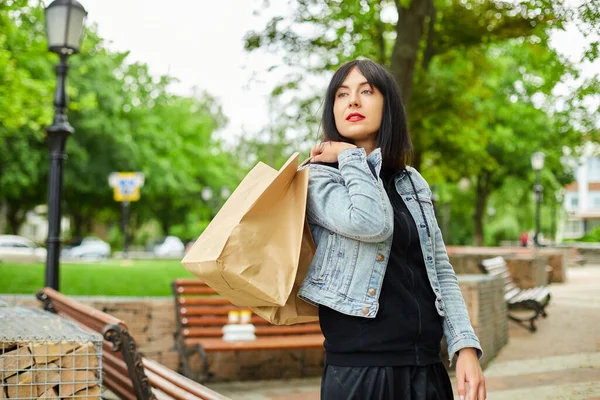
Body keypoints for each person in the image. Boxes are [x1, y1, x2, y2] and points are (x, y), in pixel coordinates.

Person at [298, 59, 486, 400]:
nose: (353, 101)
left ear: (388, 106)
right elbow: (369, 222)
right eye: (342, 94)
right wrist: (350, 157)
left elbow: (440, 270)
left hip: (425, 367)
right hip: (361, 372)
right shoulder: (319, 177)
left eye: (366, 91)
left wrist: (465, 346)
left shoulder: (411, 182)